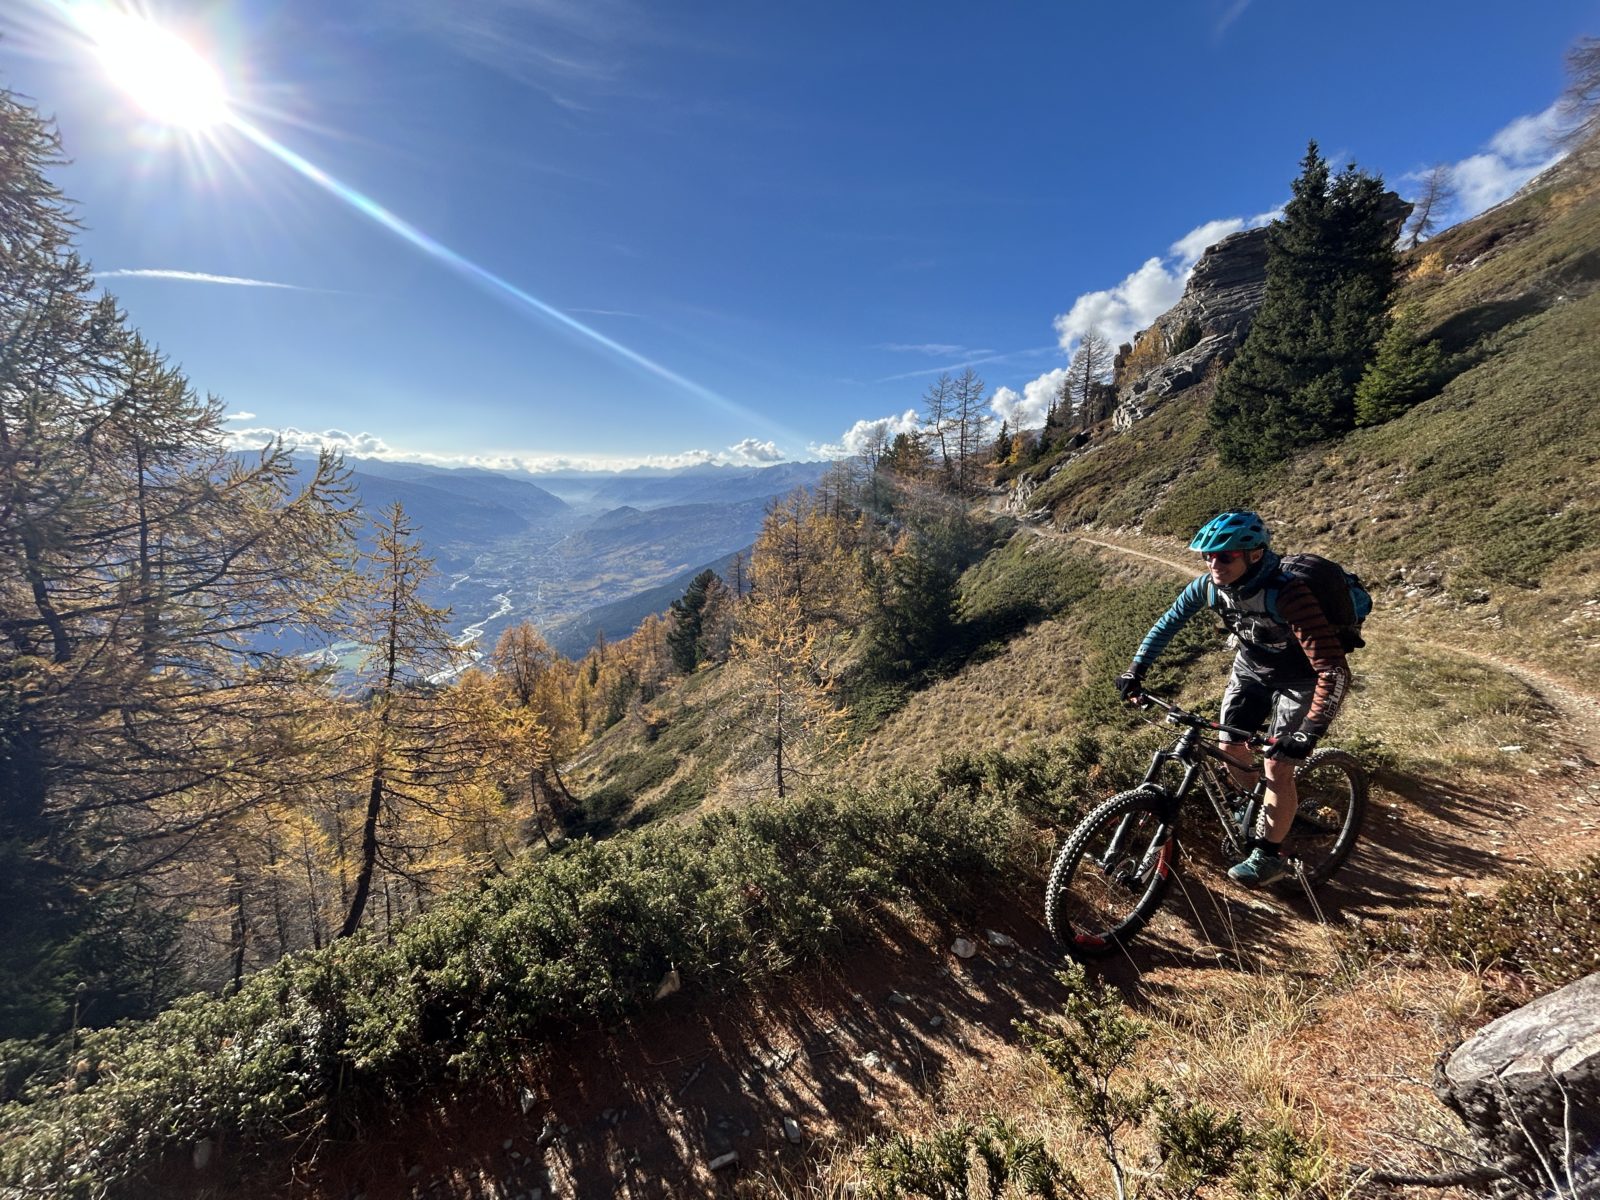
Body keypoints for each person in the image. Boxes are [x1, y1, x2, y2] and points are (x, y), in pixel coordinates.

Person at [1114, 511, 1350, 886]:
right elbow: (1167, 624)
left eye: (1225, 556)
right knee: (1231, 746)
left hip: (1301, 679)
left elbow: (1332, 669)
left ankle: (1269, 857)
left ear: (1254, 554)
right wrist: (1135, 670)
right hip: (1252, 668)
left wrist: (1309, 730)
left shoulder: (1288, 593)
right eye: (1207, 556)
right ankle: (1255, 806)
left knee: (1277, 766)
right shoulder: (1209, 586)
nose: (1213, 563)